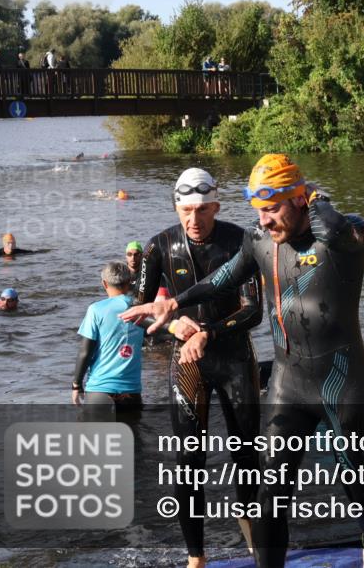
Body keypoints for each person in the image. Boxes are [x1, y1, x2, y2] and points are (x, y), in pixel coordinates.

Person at [122, 154, 364, 568]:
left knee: (358, 486)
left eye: (272, 209)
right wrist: (176, 301)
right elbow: (222, 279)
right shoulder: (260, 242)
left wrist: (315, 196)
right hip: (288, 383)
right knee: (269, 495)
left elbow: (334, 226)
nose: (264, 221)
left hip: (343, 380)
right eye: (258, 211)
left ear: (300, 199)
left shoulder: (343, 237)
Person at [132, 167, 263, 568]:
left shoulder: (240, 241)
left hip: (235, 357)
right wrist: (172, 323)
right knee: (189, 461)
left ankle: (256, 544)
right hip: (187, 362)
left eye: (203, 209)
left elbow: (254, 310)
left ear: (216, 207)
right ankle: (196, 557)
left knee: (246, 457)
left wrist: (206, 330)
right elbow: (135, 309)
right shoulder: (158, 247)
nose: (194, 219)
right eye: (187, 210)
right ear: (176, 208)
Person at [71, 262, 144, 410]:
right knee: (134, 432)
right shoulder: (142, 308)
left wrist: (76, 385)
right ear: (129, 281)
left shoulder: (96, 310)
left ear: (104, 283)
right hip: (131, 392)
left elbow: (85, 352)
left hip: (99, 390)